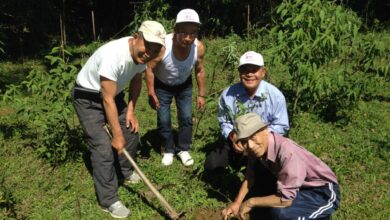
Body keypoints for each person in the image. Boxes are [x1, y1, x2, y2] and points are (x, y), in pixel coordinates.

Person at [71, 21, 166, 218]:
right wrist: (115, 134)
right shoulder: (114, 55)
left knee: (130, 132)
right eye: (147, 46)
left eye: (155, 49)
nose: (149, 52)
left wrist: (130, 110)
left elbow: (137, 79)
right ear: (135, 37)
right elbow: (106, 99)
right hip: (88, 97)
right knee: (103, 148)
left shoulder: (140, 58)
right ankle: (108, 200)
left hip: (114, 95)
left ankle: (125, 171)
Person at [222, 113, 340, 220]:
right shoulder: (255, 149)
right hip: (295, 187)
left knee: (281, 215)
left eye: (253, 137)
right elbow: (250, 176)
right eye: (244, 141)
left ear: (265, 130)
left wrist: (250, 202)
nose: (250, 145)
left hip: (320, 191)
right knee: (269, 208)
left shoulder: (287, 153)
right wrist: (237, 203)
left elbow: (286, 200)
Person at [205, 51, 289, 171]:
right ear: (239, 73)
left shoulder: (275, 96)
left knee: (268, 176)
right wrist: (233, 136)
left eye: (254, 70)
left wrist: (256, 140)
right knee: (213, 165)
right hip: (237, 139)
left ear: (263, 72)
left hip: (264, 143)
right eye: (245, 70)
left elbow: (281, 126)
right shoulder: (228, 95)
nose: (249, 74)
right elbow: (224, 122)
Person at [145, 9, 206, 166]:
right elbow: (149, 68)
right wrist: (151, 92)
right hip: (162, 85)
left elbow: (200, 70)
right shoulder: (163, 47)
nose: (187, 38)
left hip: (184, 85)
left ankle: (183, 149)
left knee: (186, 117)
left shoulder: (198, 48)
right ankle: (168, 149)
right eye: (183, 33)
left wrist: (201, 94)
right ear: (175, 30)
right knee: (164, 119)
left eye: (192, 33)